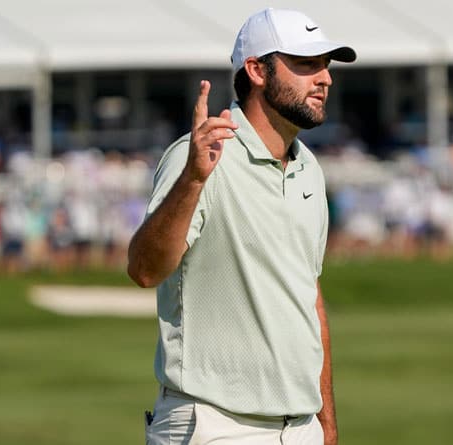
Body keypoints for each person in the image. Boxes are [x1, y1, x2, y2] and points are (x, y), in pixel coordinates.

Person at [127, 8, 355, 445]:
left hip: (300, 427)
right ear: (257, 70)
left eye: (325, 65)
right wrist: (193, 179)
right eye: (306, 64)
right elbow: (144, 269)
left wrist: (325, 423)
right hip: (216, 427)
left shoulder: (309, 168)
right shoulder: (199, 156)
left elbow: (309, 297)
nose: (324, 78)